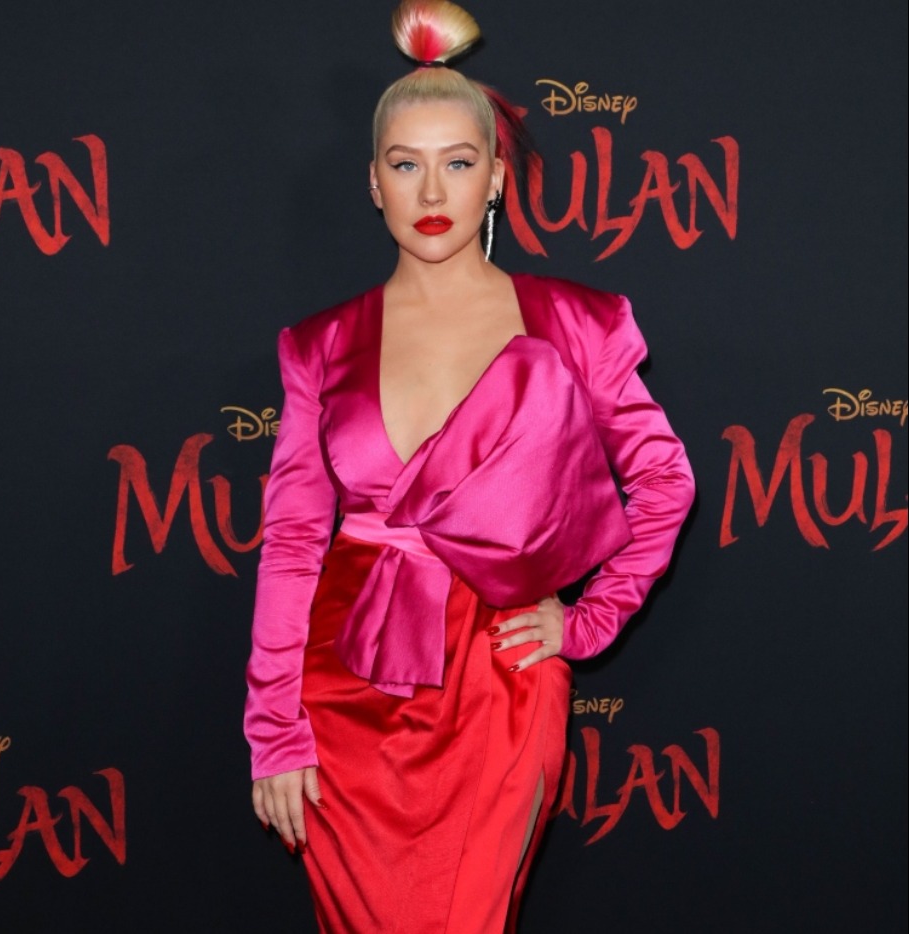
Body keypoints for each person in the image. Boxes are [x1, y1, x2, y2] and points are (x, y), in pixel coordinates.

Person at [244, 2, 695, 931]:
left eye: (457, 162)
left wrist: (588, 620)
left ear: (495, 176)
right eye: (405, 164)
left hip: (501, 680)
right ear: (374, 183)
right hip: (342, 691)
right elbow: (291, 542)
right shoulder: (320, 345)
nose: (431, 188)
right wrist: (275, 727)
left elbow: (664, 482)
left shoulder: (577, 322)